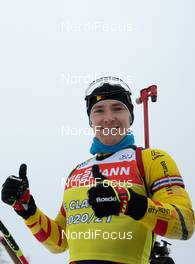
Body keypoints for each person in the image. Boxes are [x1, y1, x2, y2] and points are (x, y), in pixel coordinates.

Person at [1, 76, 195, 264]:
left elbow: (185, 224)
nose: (109, 118)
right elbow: (60, 241)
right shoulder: (78, 171)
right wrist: (27, 210)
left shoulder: (151, 159)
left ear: (130, 116)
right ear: (90, 121)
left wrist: (128, 202)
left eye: (118, 108)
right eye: (99, 110)